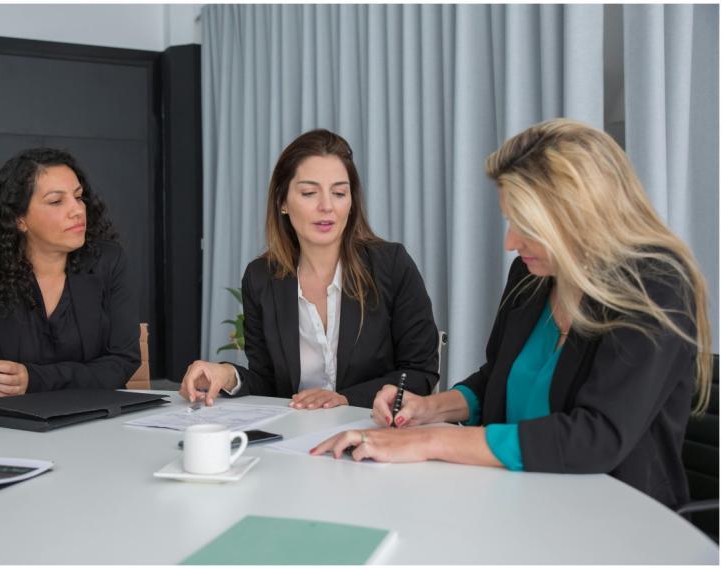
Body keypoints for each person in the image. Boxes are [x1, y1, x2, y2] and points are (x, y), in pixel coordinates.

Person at [312, 118, 712, 509]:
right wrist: (429, 408)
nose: (510, 242)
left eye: (525, 224)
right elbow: (496, 380)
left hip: (617, 519)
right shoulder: (532, 274)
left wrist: (432, 440)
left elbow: (598, 437)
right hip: (517, 498)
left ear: (582, 214)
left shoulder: (656, 285)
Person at [180, 129, 439, 409]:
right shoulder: (260, 278)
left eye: (339, 192)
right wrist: (228, 375)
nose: (326, 206)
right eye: (309, 193)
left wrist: (345, 400)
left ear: (351, 202)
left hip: (373, 431)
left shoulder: (391, 265)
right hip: (295, 436)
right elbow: (269, 382)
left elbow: (420, 372)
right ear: (282, 202)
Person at [0, 148, 141, 402]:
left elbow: (122, 361)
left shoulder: (108, 261)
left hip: (95, 419)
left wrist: (33, 379)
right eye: (56, 201)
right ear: (19, 219)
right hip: (7, 429)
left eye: (79, 197)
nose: (77, 210)